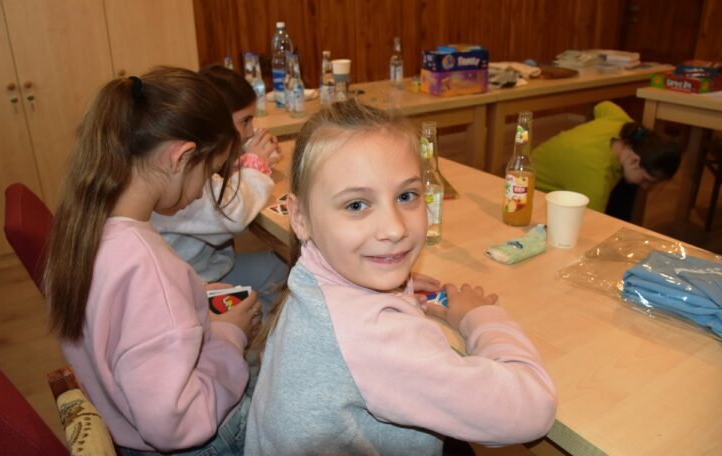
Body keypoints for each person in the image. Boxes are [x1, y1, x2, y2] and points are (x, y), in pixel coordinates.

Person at [245, 101, 558, 455]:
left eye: (407, 196)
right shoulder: (374, 338)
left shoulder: (312, 277)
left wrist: (396, 289)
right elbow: (534, 408)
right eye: (356, 205)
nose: (395, 229)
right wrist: (481, 316)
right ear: (300, 217)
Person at [44, 67, 262, 455]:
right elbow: (174, 423)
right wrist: (230, 337)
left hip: (125, 428)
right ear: (180, 157)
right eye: (209, 173)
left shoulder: (81, 230)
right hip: (206, 442)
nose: (202, 192)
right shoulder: (144, 266)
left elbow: (127, 332)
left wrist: (189, 299)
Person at [151, 64, 287, 313]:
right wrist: (256, 166)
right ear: (218, 122)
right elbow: (231, 215)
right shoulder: (177, 181)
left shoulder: (177, 160)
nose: (251, 131)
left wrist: (248, 159)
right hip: (188, 288)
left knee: (278, 267)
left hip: (202, 270)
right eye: (245, 121)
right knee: (282, 273)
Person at [532, 101, 681, 219]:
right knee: (627, 187)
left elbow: (603, 106)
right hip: (536, 200)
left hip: (553, 163)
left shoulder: (624, 124)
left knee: (628, 181)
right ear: (635, 160)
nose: (645, 187)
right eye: (646, 179)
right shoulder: (595, 176)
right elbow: (592, 224)